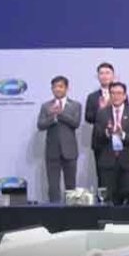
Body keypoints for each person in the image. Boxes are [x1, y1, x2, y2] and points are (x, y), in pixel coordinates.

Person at [92, 81, 129, 204]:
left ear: (124, 96)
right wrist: (107, 133)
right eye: (113, 93)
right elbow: (97, 135)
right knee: (107, 199)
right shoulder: (102, 113)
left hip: (126, 162)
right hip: (107, 161)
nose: (116, 96)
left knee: (126, 199)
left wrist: (123, 135)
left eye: (119, 93)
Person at [37, 75, 81, 203]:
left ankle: (71, 212)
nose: (57, 89)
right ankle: (54, 211)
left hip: (70, 151)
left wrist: (60, 113)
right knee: (53, 186)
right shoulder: (46, 106)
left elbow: (75, 123)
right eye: (55, 87)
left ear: (66, 88)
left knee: (71, 186)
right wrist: (52, 116)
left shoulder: (75, 105)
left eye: (60, 86)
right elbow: (40, 125)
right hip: (52, 151)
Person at [85, 62, 116, 187]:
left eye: (107, 73)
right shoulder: (93, 97)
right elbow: (88, 117)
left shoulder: (120, 93)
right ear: (97, 76)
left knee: (118, 174)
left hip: (118, 140)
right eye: (101, 73)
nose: (104, 76)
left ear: (113, 76)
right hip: (100, 141)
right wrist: (101, 111)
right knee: (102, 175)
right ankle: (103, 198)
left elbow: (128, 115)